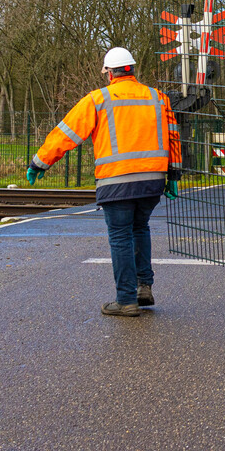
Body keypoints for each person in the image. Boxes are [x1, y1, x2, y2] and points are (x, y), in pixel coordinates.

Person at [28, 47, 182, 317]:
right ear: (132, 70)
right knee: (140, 229)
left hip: (116, 182)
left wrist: (40, 162)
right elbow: (172, 136)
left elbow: (67, 132)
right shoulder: (158, 98)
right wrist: (174, 174)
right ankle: (143, 287)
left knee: (121, 237)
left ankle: (125, 300)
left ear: (110, 73)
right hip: (152, 181)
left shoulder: (98, 99)